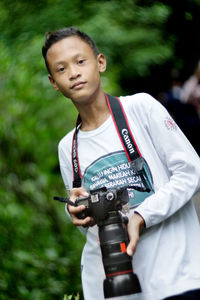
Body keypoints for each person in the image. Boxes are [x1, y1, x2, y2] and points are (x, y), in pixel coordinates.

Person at [42, 27, 200, 300]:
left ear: (100, 62)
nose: (74, 73)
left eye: (81, 61)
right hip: (112, 287)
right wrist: (77, 211)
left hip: (174, 275)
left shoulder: (141, 108)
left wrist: (141, 216)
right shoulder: (68, 147)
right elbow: (88, 221)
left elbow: (191, 172)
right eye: (61, 69)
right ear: (53, 82)